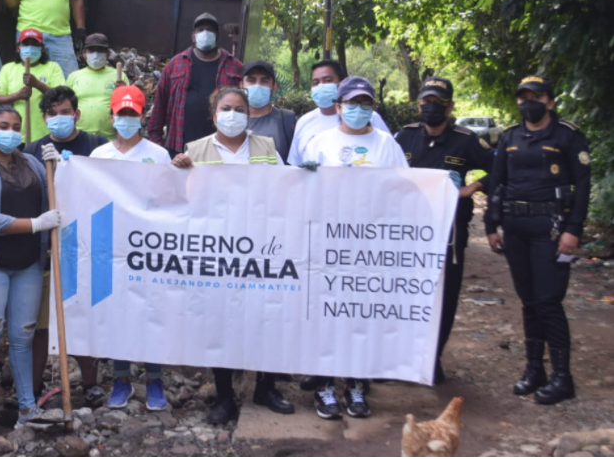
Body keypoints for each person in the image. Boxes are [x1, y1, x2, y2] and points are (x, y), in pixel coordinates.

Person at [170, 87, 290, 423]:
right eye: (226, 108)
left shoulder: (267, 149)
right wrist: (180, 172)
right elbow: (182, 203)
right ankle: (224, 395)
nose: (233, 114)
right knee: (220, 322)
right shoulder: (195, 150)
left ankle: (265, 387)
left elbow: (286, 191)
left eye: (240, 108)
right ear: (214, 113)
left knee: (264, 319)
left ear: (250, 114)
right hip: (217, 252)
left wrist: (305, 177)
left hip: (261, 248)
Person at [298, 76, 408, 420]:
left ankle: (357, 384)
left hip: (369, 246)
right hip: (328, 243)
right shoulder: (319, 141)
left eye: (365, 104)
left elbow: (405, 189)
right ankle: (325, 385)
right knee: (325, 314)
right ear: (339, 106)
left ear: (373, 108)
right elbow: (301, 192)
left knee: (363, 314)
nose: (358, 110)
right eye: (352, 103)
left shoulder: (387, 145)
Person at [484, 74, 590, 406]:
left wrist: (573, 230)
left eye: (536, 96)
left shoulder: (568, 136)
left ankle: (563, 378)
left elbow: (583, 187)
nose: (528, 102)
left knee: (548, 301)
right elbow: (497, 181)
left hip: (552, 228)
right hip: (516, 228)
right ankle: (534, 370)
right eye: (523, 97)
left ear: (550, 102)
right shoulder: (511, 136)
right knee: (529, 300)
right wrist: (491, 224)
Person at [0, 105, 63, 433]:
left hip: (29, 264)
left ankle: (28, 406)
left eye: (16, 126)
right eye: (3, 125)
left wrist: (59, 171)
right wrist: (36, 224)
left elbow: (53, 203)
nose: (11, 131)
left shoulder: (32, 162)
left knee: (23, 337)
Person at [394, 76, 494, 384]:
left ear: (450, 106)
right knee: (405, 294)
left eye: (438, 102)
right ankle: (402, 358)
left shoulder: (466, 139)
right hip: (407, 232)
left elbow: (500, 168)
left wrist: (470, 188)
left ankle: (432, 359)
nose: (431, 107)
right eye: (426, 101)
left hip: (448, 233)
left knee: (445, 295)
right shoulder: (405, 137)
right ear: (419, 103)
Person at [24, 86, 108, 406]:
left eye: (65, 112)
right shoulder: (32, 151)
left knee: (82, 313)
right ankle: (31, 388)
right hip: (46, 244)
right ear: (44, 117)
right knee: (41, 322)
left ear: (77, 114)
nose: (59, 119)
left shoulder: (96, 146)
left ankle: (90, 383)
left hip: (86, 243)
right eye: (52, 114)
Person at [90, 85, 170, 410]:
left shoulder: (159, 154)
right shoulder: (98, 157)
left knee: (151, 311)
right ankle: (121, 378)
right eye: (121, 113)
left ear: (142, 116)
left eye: (132, 113)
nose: (126, 119)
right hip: (111, 247)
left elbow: (171, 199)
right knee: (116, 312)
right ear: (111, 115)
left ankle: (154, 379)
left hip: (149, 248)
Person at [148, 12, 243, 158]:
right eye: (200, 30)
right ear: (193, 36)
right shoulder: (175, 64)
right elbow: (160, 105)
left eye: (210, 30)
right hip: (179, 147)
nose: (205, 33)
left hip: (221, 150)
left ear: (217, 35)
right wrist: (155, 143)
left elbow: (245, 107)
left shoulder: (234, 66)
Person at [287, 60, 390, 164]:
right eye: (315, 83)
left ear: (341, 84)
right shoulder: (304, 122)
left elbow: (389, 159)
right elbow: (295, 165)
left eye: (328, 80)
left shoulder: (368, 117)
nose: (321, 86)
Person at [0, 29, 65, 144]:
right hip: (14, 136)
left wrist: (37, 84)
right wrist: (17, 95)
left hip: (45, 135)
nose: (30, 48)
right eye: (26, 44)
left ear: (42, 48)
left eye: (34, 44)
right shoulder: (8, 69)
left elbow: (61, 97)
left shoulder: (53, 67)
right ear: (18, 48)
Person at [66, 33, 123, 140]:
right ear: (84, 53)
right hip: (79, 138)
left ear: (108, 53)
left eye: (100, 50)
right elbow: (66, 106)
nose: (96, 54)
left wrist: (124, 92)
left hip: (110, 139)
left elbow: (128, 107)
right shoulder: (74, 77)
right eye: (91, 50)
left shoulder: (119, 76)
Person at [239, 60, 296, 160]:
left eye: (264, 80)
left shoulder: (287, 120)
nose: (258, 85)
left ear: (274, 88)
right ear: (241, 86)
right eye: (251, 80)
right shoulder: (229, 120)